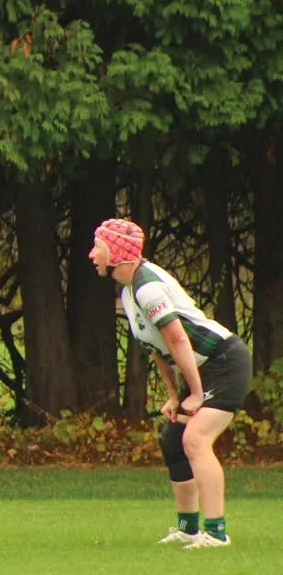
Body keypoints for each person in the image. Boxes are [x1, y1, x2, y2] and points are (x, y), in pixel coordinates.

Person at [90, 218, 251, 549]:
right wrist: (175, 395)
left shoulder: (147, 287)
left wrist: (195, 393)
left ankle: (217, 533)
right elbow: (159, 348)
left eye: (99, 247)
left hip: (226, 362)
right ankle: (188, 528)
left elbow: (178, 339)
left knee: (195, 438)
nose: (93, 255)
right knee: (173, 438)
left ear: (117, 253)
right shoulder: (129, 290)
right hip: (204, 370)